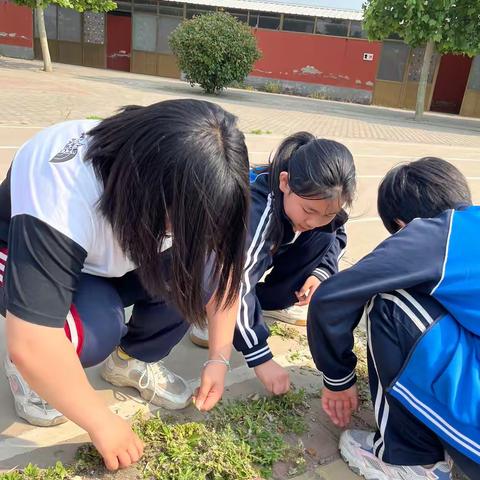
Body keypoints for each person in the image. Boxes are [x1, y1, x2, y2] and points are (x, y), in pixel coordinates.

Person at [0, 99, 251, 470]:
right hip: (22, 251)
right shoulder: (61, 194)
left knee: (194, 273)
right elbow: (32, 341)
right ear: (144, 187)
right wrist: (101, 422)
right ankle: (31, 379)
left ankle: (131, 361)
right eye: (176, 223)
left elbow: (223, 269)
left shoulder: (190, 182)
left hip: (108, 254)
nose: (181, 234)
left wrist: (218, 357)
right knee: (96, 328)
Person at [307, 157, 480, 480]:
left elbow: (330, 298)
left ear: (403, 226)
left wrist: (338, 379)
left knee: (390, 301)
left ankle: (409, 461)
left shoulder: (439, 234)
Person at [191, 132, 356, 395]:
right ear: (284, 183)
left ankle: (265, 305)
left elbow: (338, 230)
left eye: (328, 212)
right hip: (206, 260)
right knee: (228, 283)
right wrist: (261, 357)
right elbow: (238, 279)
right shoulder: (256, 209)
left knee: (324, 235)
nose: (314, 221)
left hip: (248, 257)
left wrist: (321, 272)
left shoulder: (321, 205)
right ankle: (213, 311)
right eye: (309, 211)